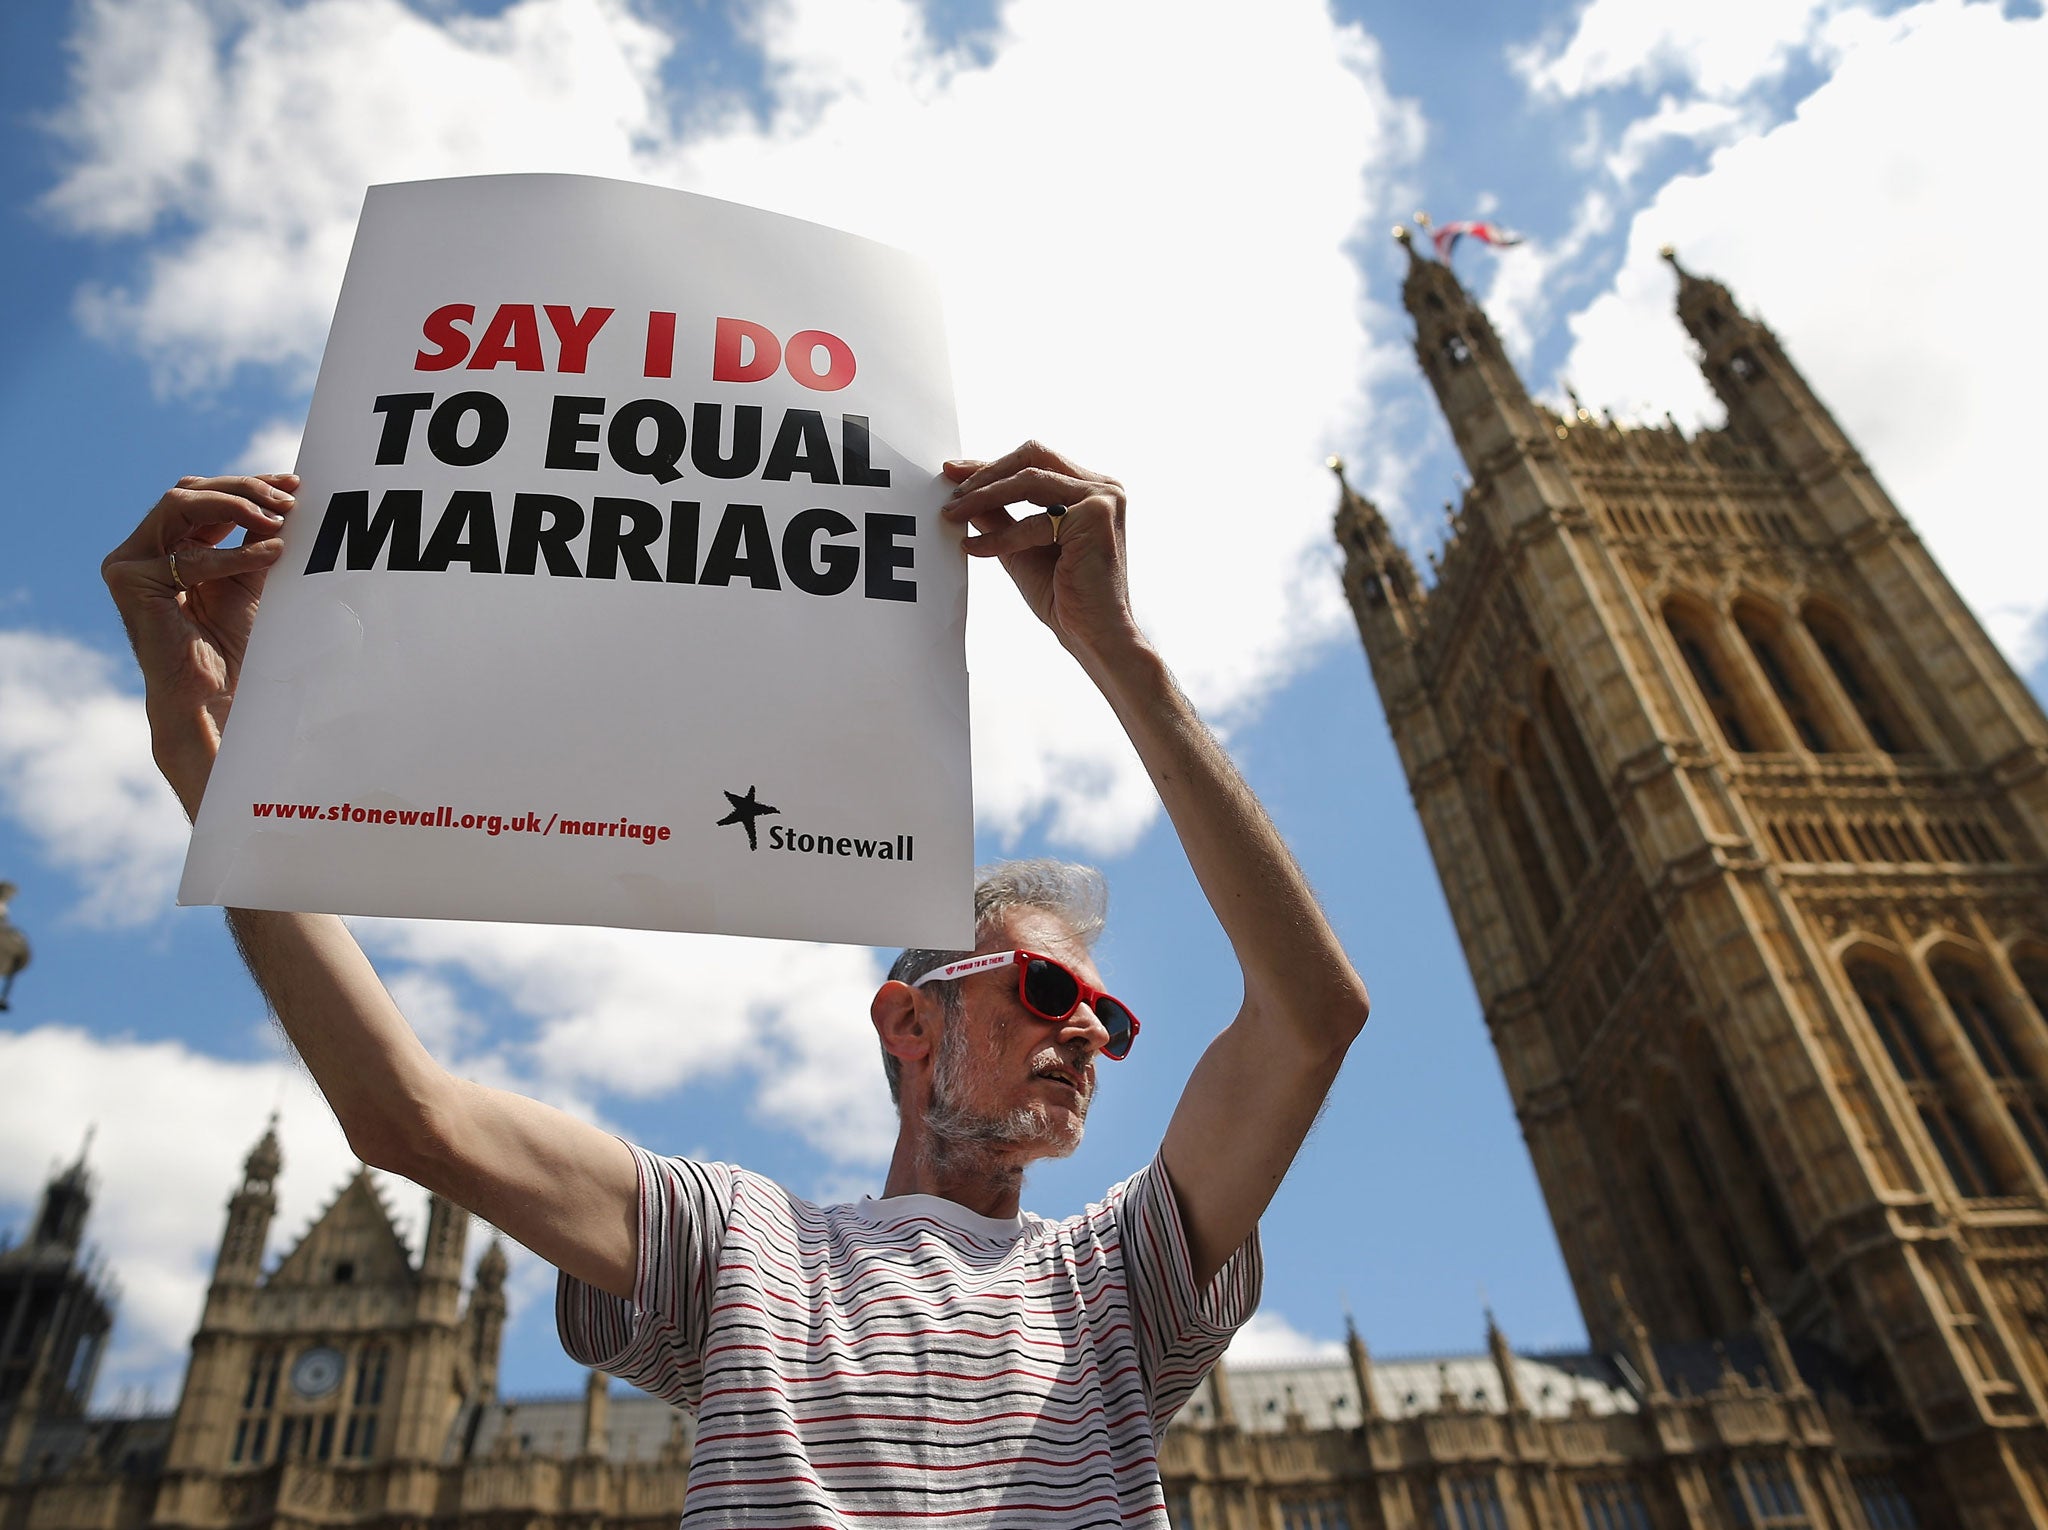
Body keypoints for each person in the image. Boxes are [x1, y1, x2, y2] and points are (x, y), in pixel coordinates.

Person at [102, 441, 1371, 1528]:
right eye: (1046, 987)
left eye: (1113, 1015)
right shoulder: (739, 1255)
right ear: (905, 1016)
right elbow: (409, 1114)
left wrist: (1122, 657)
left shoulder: (1120, 1282)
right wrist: (204, 763)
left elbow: (1310, 1018)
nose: (1090, 1027)